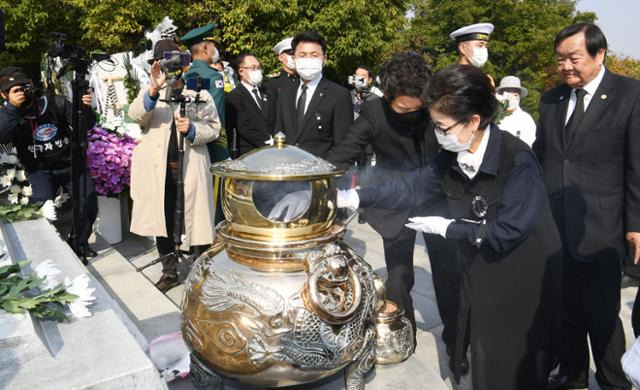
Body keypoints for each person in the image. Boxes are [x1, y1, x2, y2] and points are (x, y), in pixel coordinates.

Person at [339, 64, 562, 389]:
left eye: (443, 127)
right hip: (482, 272)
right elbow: (411, 186)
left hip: (522, 277)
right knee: (483, 358)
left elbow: (509, 231)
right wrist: (358, 196)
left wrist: (449, 228)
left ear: (473, 120)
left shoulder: (518, 161)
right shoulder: (452, 155)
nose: (438, 134)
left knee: (514, 366)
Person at [325, 52, 462, 369]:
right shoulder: (374, 111)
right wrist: (319, 183)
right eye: (404, 109)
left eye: (420, 107)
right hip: (393, 200)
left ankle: (456, 341)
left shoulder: (436, 104)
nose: (414, 113)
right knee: (399, 278)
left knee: (448, 275)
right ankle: (403, 337)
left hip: (438, 198)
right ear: (387, 98)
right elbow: (344, 152)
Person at [535, 23, 640, 390]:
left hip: (602, 227)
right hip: (555, 223)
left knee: (601, 313)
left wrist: (636, 223)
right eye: (560, 58)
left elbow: (637, 165)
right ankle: (572, 372)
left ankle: (613, 381)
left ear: (600, 54)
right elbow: (543, 156)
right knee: (564, 307)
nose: (565, 66)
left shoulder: (629, 94)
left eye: (574, 58)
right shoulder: (551, 99)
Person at [128, 39, 220, 293]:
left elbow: (214, 127)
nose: (168, 68)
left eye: (173, 62)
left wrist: (192, 130)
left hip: (190, 167)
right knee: (162, 218)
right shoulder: (151, 93)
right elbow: (135, 115)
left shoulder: (198, 93)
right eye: (162, 63)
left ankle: (199, 271)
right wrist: (153, 90)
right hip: (159, 170)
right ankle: (169, 271)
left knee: (197, 219)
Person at [0, 66, 98, 258]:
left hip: (70, 165)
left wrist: (84, 109)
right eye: (15, 90)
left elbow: (87, 126)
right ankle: (46, 250)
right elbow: (2, 137)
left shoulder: (55, 102)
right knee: (38, 207)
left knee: (88, 204)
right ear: (4, 94)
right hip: (39, 170)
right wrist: (13, 108)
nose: (23, 93)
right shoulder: (9, 114)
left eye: (25, 87)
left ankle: (79, 243)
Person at [274, 31, 353, 159]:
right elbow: (279, 135)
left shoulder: (339, 95)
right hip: (289, 171)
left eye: (314, 55)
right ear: (294, 59)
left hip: (321, 174)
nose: (308, 60)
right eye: (303, 55)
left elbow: (343, 145)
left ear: (324, 59)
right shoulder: (285, 94)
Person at [181, 23, 230, 226]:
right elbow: (216, 116)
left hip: (193, 139)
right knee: (217, 195)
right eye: (212, 45)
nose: (214, 50)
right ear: (205, 49)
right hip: (214, 143)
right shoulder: (213, 76)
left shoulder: (188, 75)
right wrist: (222, 151)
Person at [225, 53, 276, 157]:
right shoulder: (234, 96)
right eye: (253, 68)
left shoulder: (268, 92)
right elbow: (242, 126)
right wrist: (265, 142)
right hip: (250, 152)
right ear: (241, 71)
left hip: (274, 150)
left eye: (259, 67)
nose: (257, 70)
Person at [495, 75, 536, 147]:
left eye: (515, 94)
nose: (511, 97)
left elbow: (529, 145)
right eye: (507, 93)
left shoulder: (526, 119)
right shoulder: (492, 116)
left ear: (520, 96)